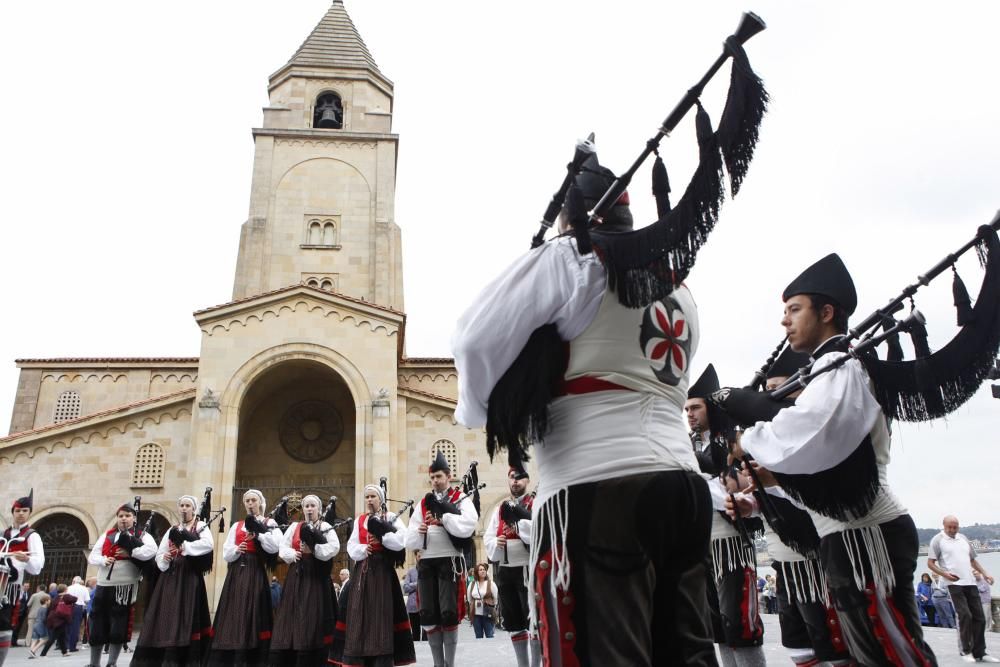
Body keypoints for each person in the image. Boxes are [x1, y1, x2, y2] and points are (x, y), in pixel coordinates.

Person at [453, 147, 718, 665]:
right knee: (685, 652)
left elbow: (472, 341)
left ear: (570, 218)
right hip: (683, 484)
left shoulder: (572, 258)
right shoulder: (680, 287)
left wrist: (482, 413)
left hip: (597, 484)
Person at [724, 254, 937, 665]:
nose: (785, 322)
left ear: (826, 312)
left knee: (889, 649)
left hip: (867, 534)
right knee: (870, 652)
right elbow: (816, 467)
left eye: (794, 310)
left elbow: (810, 432)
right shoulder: (828, 368)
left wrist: (746, 431)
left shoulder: (842, 367)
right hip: (847, 535)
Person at [404, 451, 478, 667]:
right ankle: (438, 664)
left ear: (448, 476)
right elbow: (409, 539)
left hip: (449, 561)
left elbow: (468, 526)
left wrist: (444, 518)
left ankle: (450, 663)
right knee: (427, 614)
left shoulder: (460, 498)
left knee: (448, 613)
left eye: (439, 476)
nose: (435, 481)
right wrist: (420, 530)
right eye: (432, 477)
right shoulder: (422, 504)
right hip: (426, 562)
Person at [330, 483, 415, 667]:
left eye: (372, 496)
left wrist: (383, 535)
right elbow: (352, 547)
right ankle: (360, 654)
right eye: (367, 497)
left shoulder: (391, 517)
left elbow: (403, 539)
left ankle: (382, 655)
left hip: (383, 573)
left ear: (380, 499)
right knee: (359, 613)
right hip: (362, 573)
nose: (369, 500)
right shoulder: (360, 520)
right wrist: (364, 548)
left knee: (382, 613)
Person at [132, 494, 215, 667]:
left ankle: (185, 654)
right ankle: (164, 652)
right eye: (182, 505)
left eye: (187, 505)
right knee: (166, 612)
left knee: (187, 612)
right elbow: (160, 554)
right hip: (170, 577)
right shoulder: (173, 528)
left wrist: (185, 547)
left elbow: (208, 545)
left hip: (189, 576)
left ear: (193, 509)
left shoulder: (200, 526)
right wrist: (166, 558)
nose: (184, 508)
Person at [208, 489, 282, 667]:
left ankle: (252, 654)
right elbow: (226, 552)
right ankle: (232, 651)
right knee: (234, 608)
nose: (250, 504)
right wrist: (236, 550)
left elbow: (275, 546)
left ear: (260, 502)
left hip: (255, 570)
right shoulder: (237, 525)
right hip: (237, 571)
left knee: (253, 608)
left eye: (253, 500)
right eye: (247, 501)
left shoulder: (268, 522)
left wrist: (260, 533)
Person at [270, 494, 339, 666]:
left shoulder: (325, 526)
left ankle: (314, 654)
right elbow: (283, 548)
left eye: (312, 506)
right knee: (293, 613)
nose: (309, 509)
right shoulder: (295, 526)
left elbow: (334, 547)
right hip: (297, 575)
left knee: (315, 613)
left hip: (317, 577)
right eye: (306, 506)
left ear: (318, 509)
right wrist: (295, 554)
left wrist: (313, 550)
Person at [85, 502, 157, 667]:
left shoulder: (141, 535)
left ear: (134, 518)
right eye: (121, 516)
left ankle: (112, 663)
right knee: (97, 622)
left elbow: (151, 551)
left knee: (119, 623)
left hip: (125, 586)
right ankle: (93, 663)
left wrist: (131, 552)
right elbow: (92, 556)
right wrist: (104, 560)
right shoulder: (107, 535)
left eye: (127, 516)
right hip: (103, 584)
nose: (124, 519)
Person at [483, 465, 539, 667]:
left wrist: (517, 524)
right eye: (512, 477)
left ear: (527, 481)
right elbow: (488, 537)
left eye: (519, 478)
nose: (515, 481)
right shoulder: (499, 509)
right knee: (514, 623)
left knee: (532, 621)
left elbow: (539, 530)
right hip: (505, 571)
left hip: (527, 570)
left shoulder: (535, 503)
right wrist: (495, 543)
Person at [927, 515, 998, 662]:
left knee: (980, 617)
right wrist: (944, 574)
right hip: (954, 584)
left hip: (971, 582)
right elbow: (930, 563)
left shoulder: (964, 539)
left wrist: (986, 574)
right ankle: (966, 651)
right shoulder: (937, 540)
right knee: (965, 615)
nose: (953, 530)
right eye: (950, 527)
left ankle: (980, 652)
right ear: (944, 526)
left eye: (955, 527)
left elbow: (972, 560)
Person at [1, 489, 44, 667]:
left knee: (3, 626)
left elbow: (37, 566)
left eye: (24, 511)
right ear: (12, 512)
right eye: (18, 511)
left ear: (29, 513)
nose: (20, 514)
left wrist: (26, 558)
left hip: (10, 588)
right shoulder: (3, 534)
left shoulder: (32, 536)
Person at [466, 563, 498, 639]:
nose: (483, 571)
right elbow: (469, 598)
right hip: (476, 614)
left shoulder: (491, 583)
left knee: (489, 635)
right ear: (477, 572)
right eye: (480, 570)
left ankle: (490, 650)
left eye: (484, 570)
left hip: (487, 613)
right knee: (478, 636)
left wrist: (492, 606)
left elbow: (495, 598)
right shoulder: (472, 584)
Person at [40, 591, 74, 657]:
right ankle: (43, 653)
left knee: (61, 637)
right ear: (64, 590)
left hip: (58, 621)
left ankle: (64, 652)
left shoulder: (55, 599)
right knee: (52, 638)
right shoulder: (60, 600)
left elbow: (49, 610)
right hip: (59, 622)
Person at [65, 575, 90, 652]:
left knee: (67, 626)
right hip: (78, 607)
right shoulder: (84, 588)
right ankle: (72, 646)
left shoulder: (68, 588)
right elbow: (87, 600)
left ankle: (66, 645)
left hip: (68, 607)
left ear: (73, 581)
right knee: (75, 627)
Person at [402, 555, 421, 642]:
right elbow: (405, 587)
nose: (420, 558)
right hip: (413, 606)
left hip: (427, 605)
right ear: (416, 557)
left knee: (428, 635)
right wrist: (418, 584)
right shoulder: (411, 571)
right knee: (415, 634)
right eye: (419, 556)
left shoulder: (430, 571)